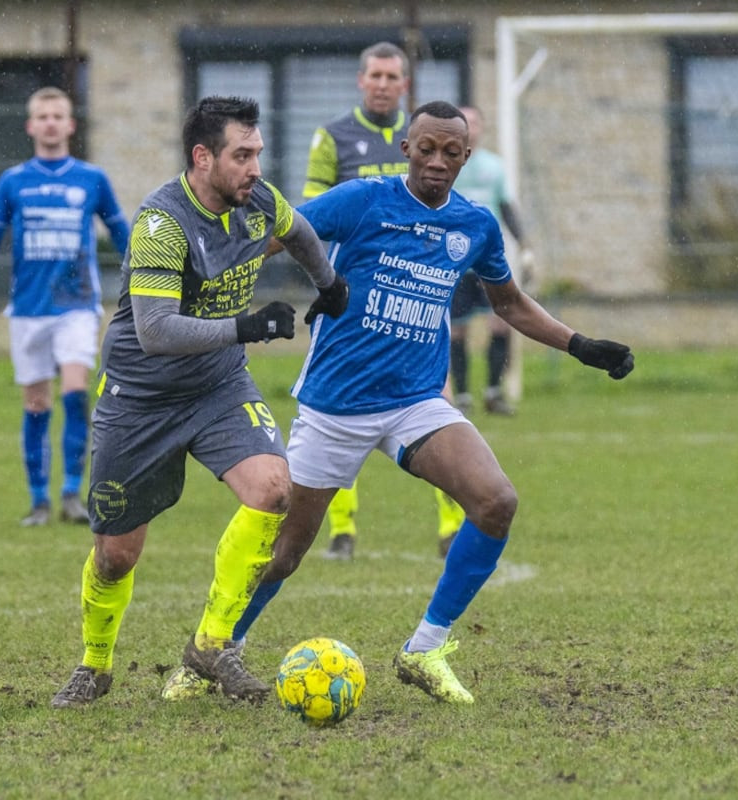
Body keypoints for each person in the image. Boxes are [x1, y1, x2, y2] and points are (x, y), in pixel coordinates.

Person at [217, 101, 634, 705]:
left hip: (416, 399)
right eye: (427, 149)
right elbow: (280, 234)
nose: (437, 162)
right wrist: (210, 289)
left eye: (451, 153)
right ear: (407, 149)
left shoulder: (476, 224)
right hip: (336, 403)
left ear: (467, 158)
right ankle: (214, 649)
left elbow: (509, 304)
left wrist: (580, 345)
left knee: (495, 502)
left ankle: (424, 648)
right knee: (282, 555)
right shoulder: (363, 200)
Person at [49, 96, 348, 709]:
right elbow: (157, 332)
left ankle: (213, 645)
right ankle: (95, 664)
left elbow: (301, 232)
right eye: (242, 155)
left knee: (274, 489)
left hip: (217, 387)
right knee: (115, 556)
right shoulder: (161, 223)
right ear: (202, 157)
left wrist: (331, 286)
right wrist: (248, 327)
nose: (255, 167)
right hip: (140, 398)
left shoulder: (257, 201)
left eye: (258, 153)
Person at [0, 87, 131, 527]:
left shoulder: (92, 179)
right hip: (29, 309)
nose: (51, 122)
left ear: (71, 125)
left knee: (75, 393)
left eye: (58, 115)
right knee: (36, 404)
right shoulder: (13, 181)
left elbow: (121, 234)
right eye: (43, 116)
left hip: (76, 306)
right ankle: (39, 500)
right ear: (30, 126)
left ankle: (72, 492)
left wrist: (144, 277)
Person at [303, 40, 426, 561]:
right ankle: (343, 531)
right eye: (373, 75)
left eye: (390, 76)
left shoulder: (421, 138)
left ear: (405, 84)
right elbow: (308, 216)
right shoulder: (332, 137)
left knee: (429, 401)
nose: (381, 83)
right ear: (361, 81)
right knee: (338, 407)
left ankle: (448, 528)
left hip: (414, 292)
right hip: (348, 298)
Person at [450, 105, 536, 418]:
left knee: (502, 323)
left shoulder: (494, 166)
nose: (470, 127)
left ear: (482, 128)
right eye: (465, 122)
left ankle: (493, 392)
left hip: (489, 262)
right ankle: (460, 395)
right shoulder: (448, 165)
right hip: (455, 263)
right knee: (455, 331)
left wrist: (525, 246)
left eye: (475, 122)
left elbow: (506, 206)